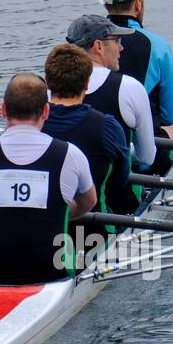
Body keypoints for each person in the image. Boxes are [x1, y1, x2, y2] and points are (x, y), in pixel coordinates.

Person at [0, 73, 96, 285]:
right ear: (46, 111)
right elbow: (89, 202)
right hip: (51, 274)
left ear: (3, 110)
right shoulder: (71, 154)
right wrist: (56, 212)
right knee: (70, 242)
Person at [41, 43, 137, 257]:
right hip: (92, 233)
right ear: (87, 83)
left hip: (41, 232)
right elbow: (121, 179)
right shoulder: (108, 127)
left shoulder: (33, 125)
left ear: (47, 83)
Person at [100, 0, 173, 168]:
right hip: (139, 153)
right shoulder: (158, 46)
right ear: (138, 4)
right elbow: (170, 114)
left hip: (95, 144)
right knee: (170, 130)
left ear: (105, 4)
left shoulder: (86, 40)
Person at [65, 14, 157, 172]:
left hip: (64, 189)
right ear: (98, 46)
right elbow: (147, 157)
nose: (121, 48)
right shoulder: (130, 87)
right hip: (115, 194)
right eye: (116, 41)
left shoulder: (50, 88)